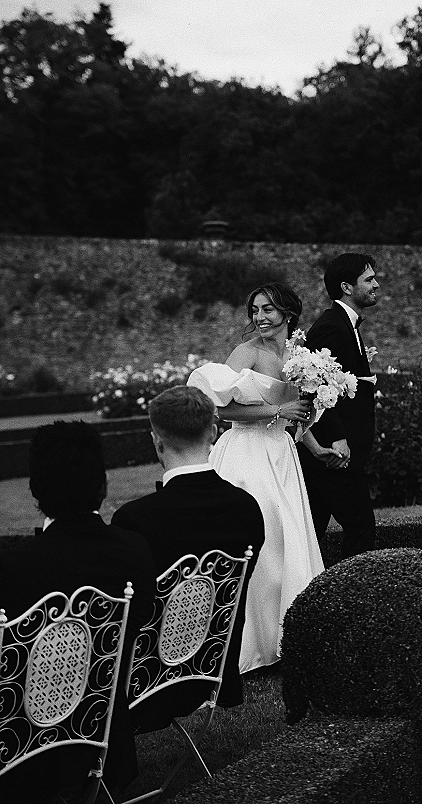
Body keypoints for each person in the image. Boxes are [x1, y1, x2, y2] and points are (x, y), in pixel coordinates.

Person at [0, 420, 156, 802]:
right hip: (103, 733)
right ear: (101, 485)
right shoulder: (134, 552)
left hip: (22, 744)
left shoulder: (14, 569)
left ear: (36, 489)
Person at [187, 282, 335, 673]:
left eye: (268, 309)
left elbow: (298, 412)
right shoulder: (246, 352)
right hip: (247, 454)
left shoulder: (301, 358)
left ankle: (289, 639)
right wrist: (279, 411)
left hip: (282, 455)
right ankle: (249, 644)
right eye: (255, 310)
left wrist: (314, 443)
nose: (260, 317)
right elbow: (222, 409)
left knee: (291, 539)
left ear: (288, 313)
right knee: (263, 542)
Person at [112, 384, 265, 720]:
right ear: (213, 432)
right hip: (212, 672)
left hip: (143, 687)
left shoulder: (134, 519)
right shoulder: (246, 508)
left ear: (156, 440)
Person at [297, 253, 380, 559]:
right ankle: (350, 600)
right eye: (369, 279)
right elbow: (313, 385)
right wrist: (336, 438)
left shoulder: (346, 324)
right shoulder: (331, 327)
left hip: (337, 455)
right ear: (347, 287)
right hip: (335, 456)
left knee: (310, 535)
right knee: (360, 529)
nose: (376, 284)